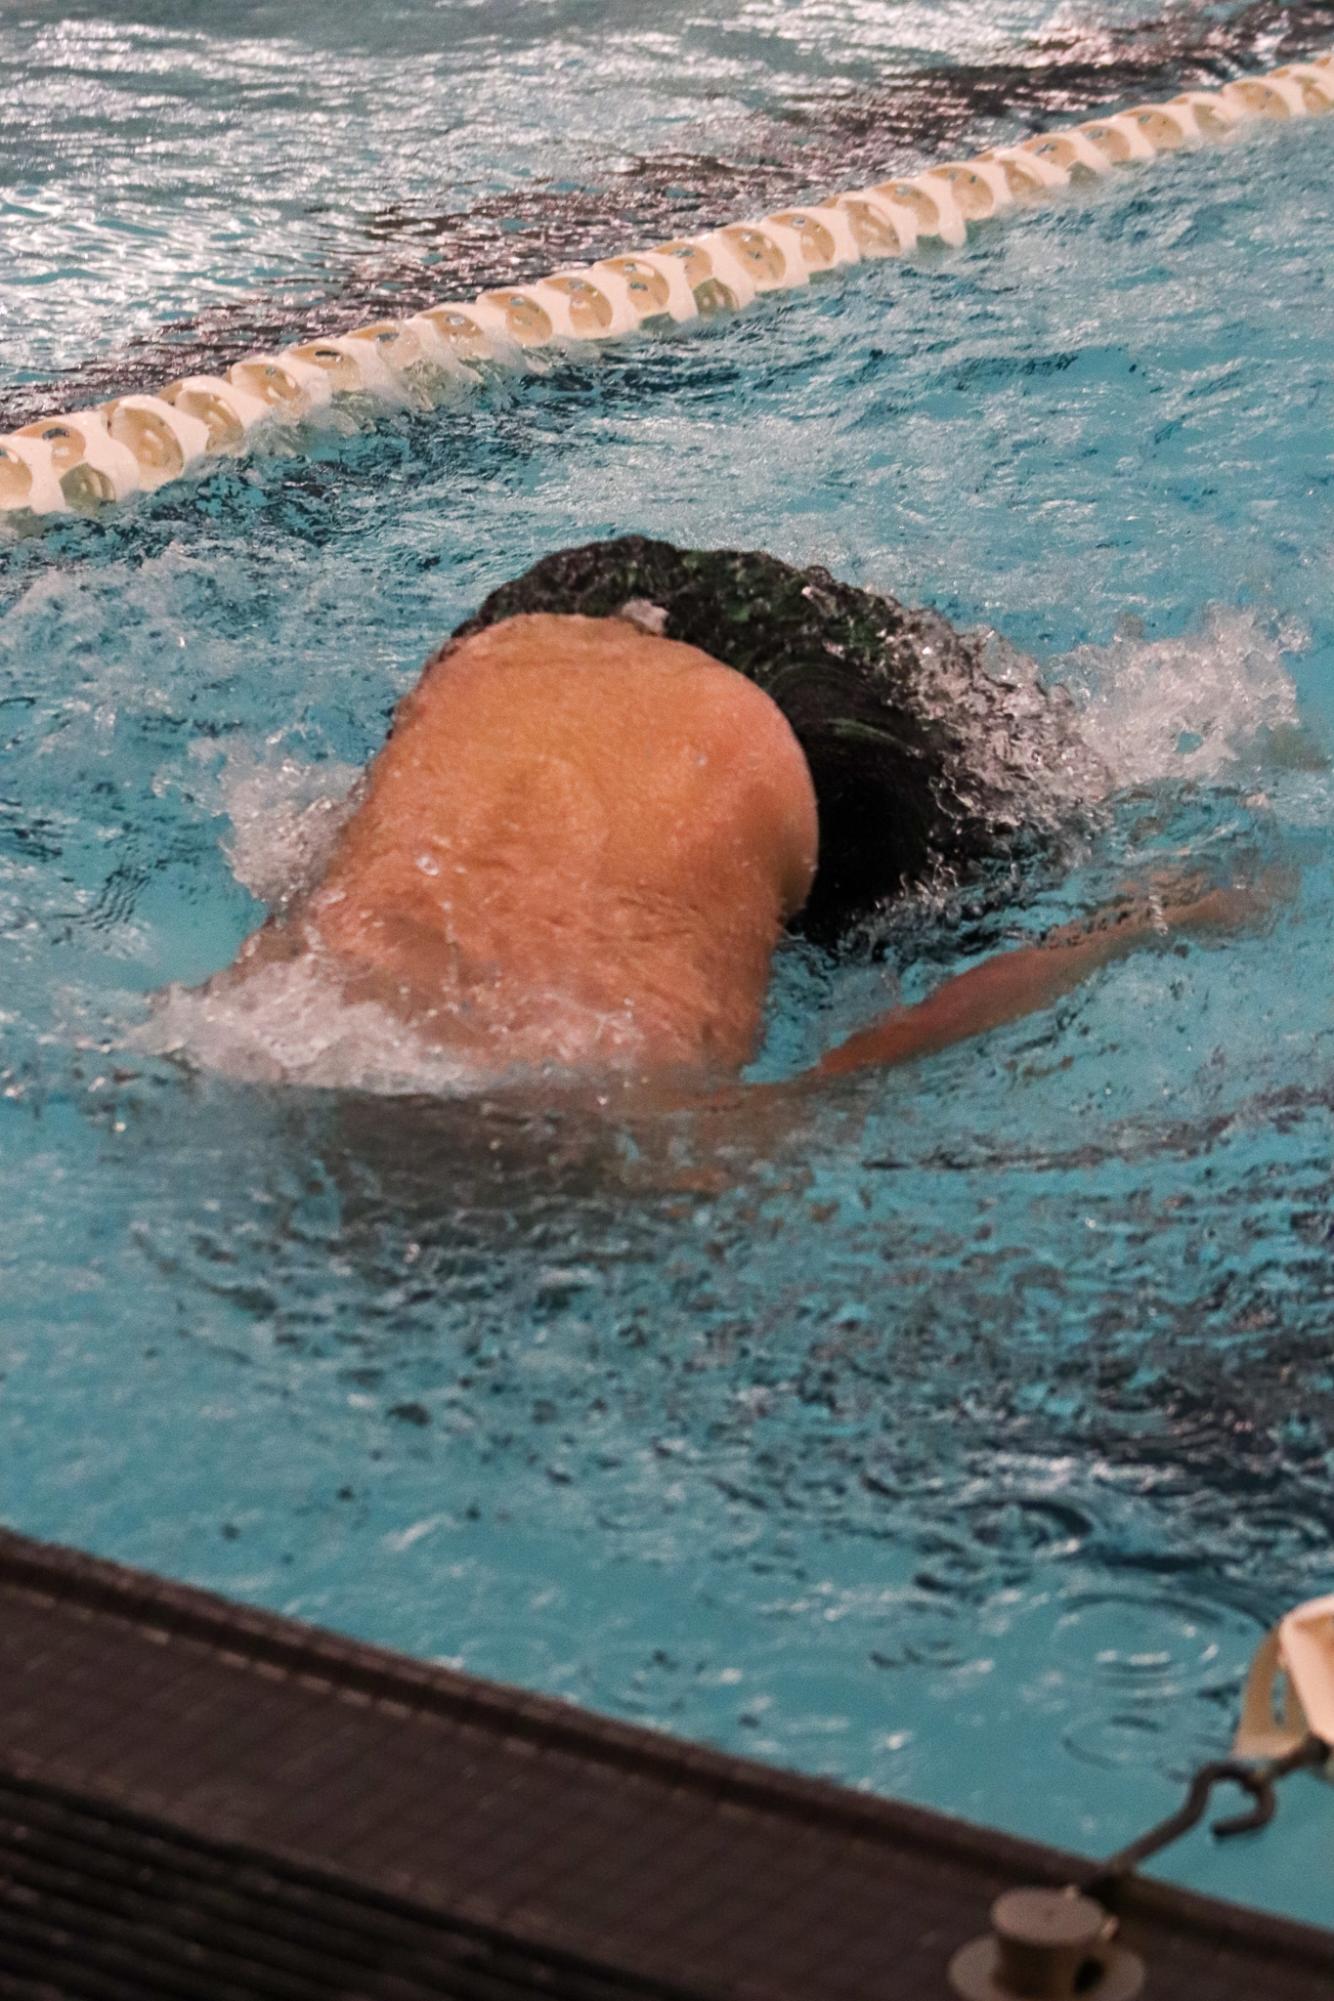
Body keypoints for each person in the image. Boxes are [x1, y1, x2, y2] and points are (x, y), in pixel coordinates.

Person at [214, 537, 1262, 1092]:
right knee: (1042, 760)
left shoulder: (616, 1099)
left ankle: (1242, 748)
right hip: (544, 619)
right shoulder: (245, 1033)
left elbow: (857, 1074)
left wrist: (1131, 921)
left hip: (802, 743)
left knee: (1044, 826)